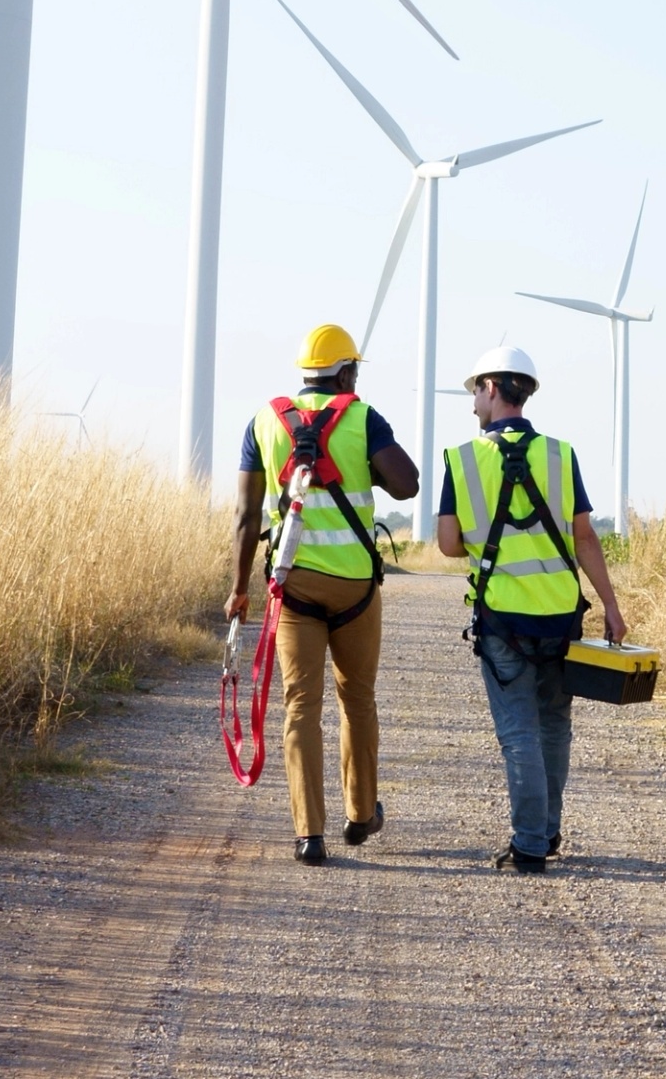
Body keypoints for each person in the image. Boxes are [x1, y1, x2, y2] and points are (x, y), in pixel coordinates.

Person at [228, 322, 422, 866]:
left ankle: (308, 833)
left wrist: (239, 590)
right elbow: (406, 483)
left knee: (300, 706)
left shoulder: (264, 421)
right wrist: (364, 462)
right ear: (347, 372)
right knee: (356, 699)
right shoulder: (362, 416)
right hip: (356, 587)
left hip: (293, 589)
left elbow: (246, 516)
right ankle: (360, 815)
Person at [436, 342, 630, 873]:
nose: (473, 401)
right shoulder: (562, 455)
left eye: (475, 389)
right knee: (553, 727)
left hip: (503, 618)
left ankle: (528, 846)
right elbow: (586, 538)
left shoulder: (462, 459)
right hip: (561, 615)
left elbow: (449, 545)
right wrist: (611, 606)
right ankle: (544, 834)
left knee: (519, 731)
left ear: (493, 388)